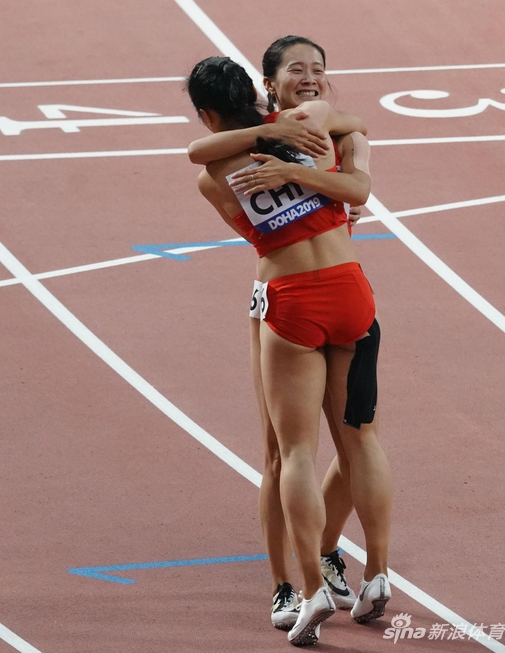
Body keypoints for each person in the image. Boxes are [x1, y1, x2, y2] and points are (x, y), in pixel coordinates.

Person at [186, 45, 393, 647]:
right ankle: (378, 570)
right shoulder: (308, 126)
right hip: (350, 290)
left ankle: (307, 586)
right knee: (362, 440)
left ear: (207, 113)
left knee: (290, 453)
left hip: (290, 299)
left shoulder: (211, 176)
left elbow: (203, 157)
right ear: (260, 91)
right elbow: (353, 136)